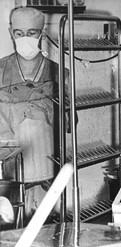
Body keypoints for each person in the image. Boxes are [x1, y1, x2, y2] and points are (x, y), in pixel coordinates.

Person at [0, 7, 69, 221]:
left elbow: (68, 118)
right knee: (15, 219)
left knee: (47, 220)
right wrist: (41, 99)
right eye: (19, 33)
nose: (25, 38)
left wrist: (16, 100)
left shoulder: (58, 71)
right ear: (11, 32)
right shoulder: (1, 69)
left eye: (31, 33)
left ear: (41, 33)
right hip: (11, 159)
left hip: (47, 158)